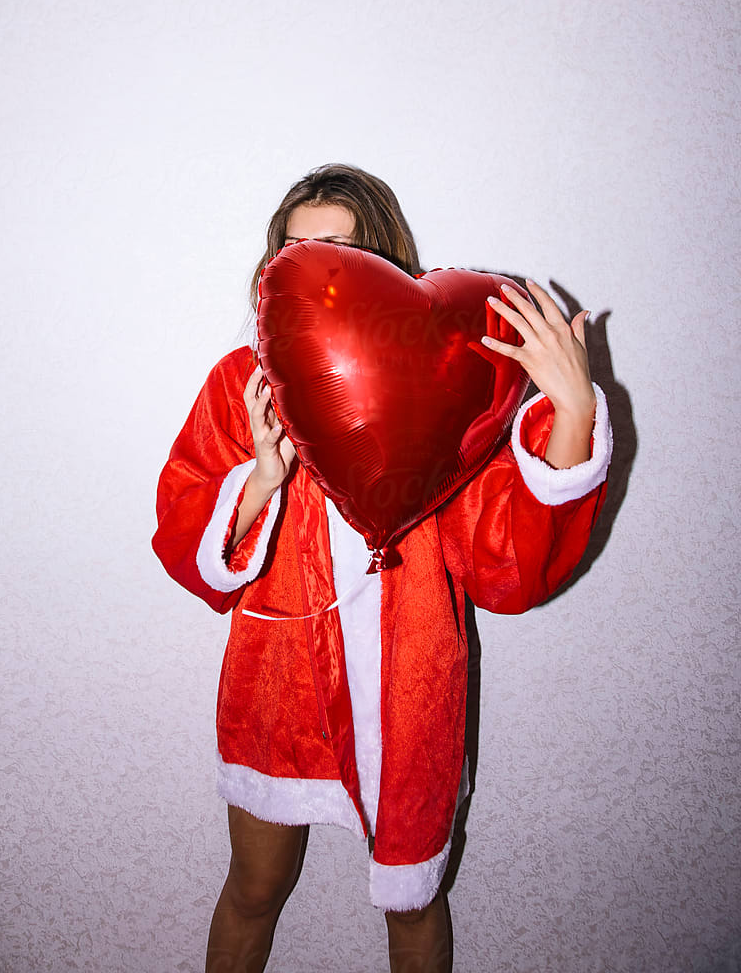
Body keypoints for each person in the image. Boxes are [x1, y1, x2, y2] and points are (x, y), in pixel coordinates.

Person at [152, 164, 612, 973]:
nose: (304, 267)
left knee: (414, 903)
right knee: (254, 890)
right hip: (275, 690)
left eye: (332, 248)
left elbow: (507, 571)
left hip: (411, 695)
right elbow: (187, 541)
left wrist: (571, 413)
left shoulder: (447, 389)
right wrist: (261, 478)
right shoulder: (241, 385)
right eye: (289, 250)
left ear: (380, 266)